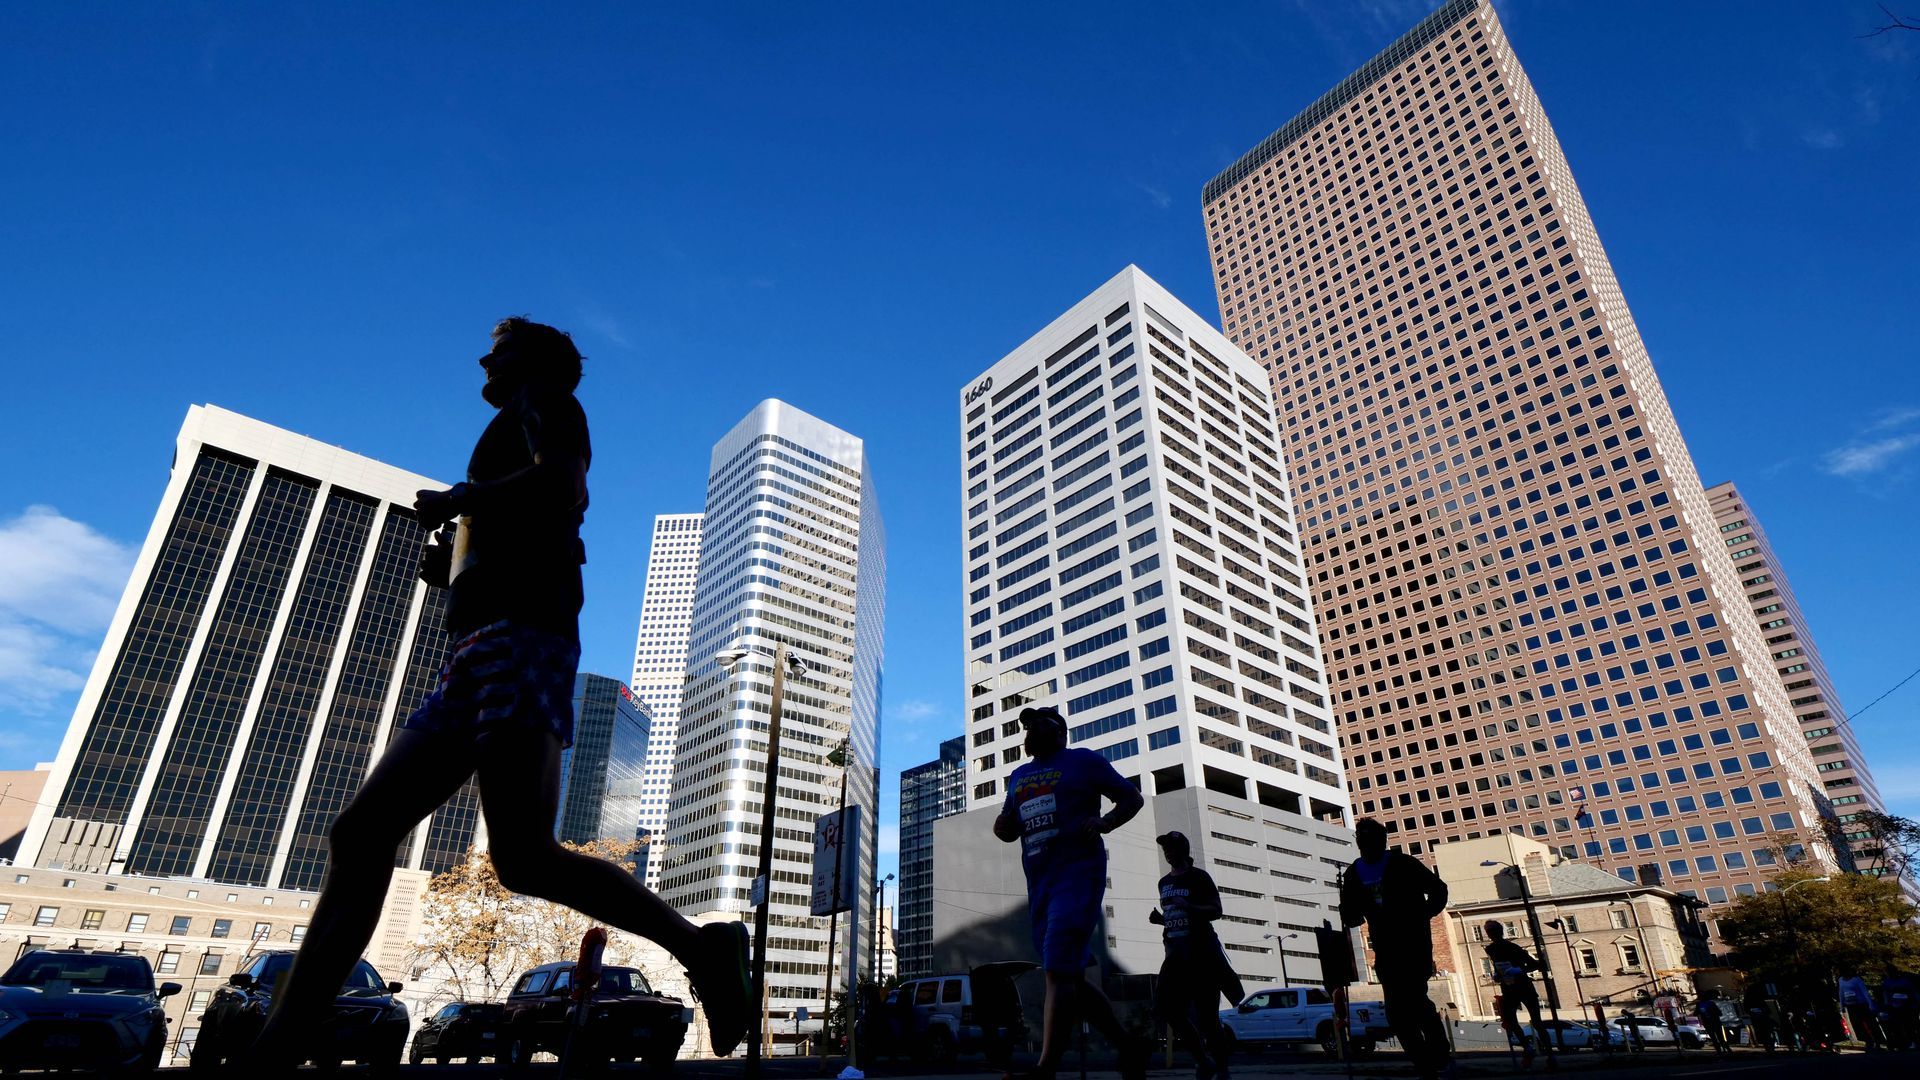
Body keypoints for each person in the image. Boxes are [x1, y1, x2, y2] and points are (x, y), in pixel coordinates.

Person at [239, 318, 750, 1068]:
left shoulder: (547, 402)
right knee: (366, 834)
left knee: (521, 855)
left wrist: (463, 498)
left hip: (521, 639)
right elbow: (524, 516)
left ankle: (701, 948)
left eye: (500, 351)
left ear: (536, 363)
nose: (486, 359)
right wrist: (457, 559)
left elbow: (564, 484)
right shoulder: (514, 424)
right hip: (475, 649)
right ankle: (278, 1044)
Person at [994, 705, 1148, 1080]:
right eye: (1027, 726)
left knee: (1058, 966)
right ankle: (1128, 1047)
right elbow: (1009, 825)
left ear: (1060, 730)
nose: (1030, 729)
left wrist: (1106, 822)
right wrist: (1003, 825)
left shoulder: (1083, 761)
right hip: (1040, 884)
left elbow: (1132, 798)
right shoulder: (1018, 776)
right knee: (1068, 975)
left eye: (1039, 723)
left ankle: (1046, 1067)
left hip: (1078, 875)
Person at [1338, 817, 1452, 1080]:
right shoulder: (1354, 872)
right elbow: (1350, 911)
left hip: (1413, 944)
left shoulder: (1403, 863)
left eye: (1369, 838)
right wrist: (1351, 914)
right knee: (1396, 1011)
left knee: (1415, 1000)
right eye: (1360, 838)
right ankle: (1424, 1063)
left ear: (1382, 840)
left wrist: (1423, 914)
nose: (1364, 843)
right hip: (1385, 947)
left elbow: (1438, 889)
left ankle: (1438, 1051)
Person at [1151, 831, 1239, 1080]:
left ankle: (1222, 1068)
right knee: (1168, 1009)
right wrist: (1161, 920)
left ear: (1183, 851)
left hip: (1201, 955)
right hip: (1175, 956)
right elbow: (1174, 917)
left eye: (1172, 848)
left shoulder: (1199, 877)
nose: (1168, 853)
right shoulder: (1163, 882)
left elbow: (1216, 910)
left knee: (1207, 1016)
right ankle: (1202, 1060)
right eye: (1165, 849)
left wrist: (1189, 906)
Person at [1482, 920, 1547, 1067]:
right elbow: (1497, 966)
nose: (1491, 934)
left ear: (1500, 931)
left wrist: (1518, 970)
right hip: (1508, 988)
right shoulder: (1491, 949)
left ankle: (1548, 1053)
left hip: (1524, 987)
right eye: (1489, 932)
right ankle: (1527, 1048)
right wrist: (1497, 975)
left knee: (1536, 1021)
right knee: (1510, 1020)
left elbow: (1534, 964)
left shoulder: (1513, 948)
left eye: (1493, 931)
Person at [1839, 973, 1883, 1050]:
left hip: (1861, 1004)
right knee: (1857, 1025)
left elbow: (1865, 992)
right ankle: (1868, 1041)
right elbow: (1841, 992)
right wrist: (1842, 1005)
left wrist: (1870, 1004)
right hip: (1851, 1006)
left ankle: (1877, 1041)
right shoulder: (1841, 980)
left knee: (1870, 1023)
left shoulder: (1856, 980)